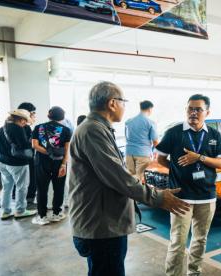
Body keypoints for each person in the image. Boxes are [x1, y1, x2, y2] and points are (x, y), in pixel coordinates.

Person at [69, 81, 190, 276]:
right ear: (112, 103)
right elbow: (119, 178)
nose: (125, 106)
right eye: (123, 101)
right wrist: (158, 197)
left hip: (102, 221)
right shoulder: (93, 130)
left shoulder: (97, 128)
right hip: (102, 225)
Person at [156, 94, 221, 276]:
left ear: (207, 112)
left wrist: (199, 158)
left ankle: (194, 272)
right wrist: (177, 171)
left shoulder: (214, 135)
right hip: (181, 197)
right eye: (190, 108)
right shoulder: (174, 132)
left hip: (207, 196)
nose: (193, 113)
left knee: (200, 240)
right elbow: (161, 158)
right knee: (177, 242)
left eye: (198, 109)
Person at [31, 106, 71, 225]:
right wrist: (64, 165)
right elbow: (66, 149)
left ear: (49, 115)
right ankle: (56, 213)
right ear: (62, 117)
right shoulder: (66, 130)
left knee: (41, 189)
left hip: (41, 162)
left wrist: (48, 152)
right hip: (59, 162)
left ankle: (42, 216)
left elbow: (35, 145)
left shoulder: (38, 127)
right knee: (59, 188)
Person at [0, 109, 37, 220]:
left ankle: (5, 211)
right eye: (24, 120)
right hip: (17, 163)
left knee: (6, 187)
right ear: (19, 119)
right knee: (21, 187)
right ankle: (20, 210)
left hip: (2, 162)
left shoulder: (2, 128)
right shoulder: (17, 129)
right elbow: (24, 145)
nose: (25, 123)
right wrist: (32, 140)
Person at [125, 100, 159, 182]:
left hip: (129, 153)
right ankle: (138, 195)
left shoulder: (129, 121)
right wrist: (158, 154)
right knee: (140, 179)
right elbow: (155, 142)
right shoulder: (150, 123)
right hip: (142, 154)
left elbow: (126, 137)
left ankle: (130, 195)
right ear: (150, 109)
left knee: (130, 178)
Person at [17, 102, 37, 207]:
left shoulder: (11, 125)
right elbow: (26, 143)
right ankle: (28, 199)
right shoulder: (24, 127)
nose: (34, 115)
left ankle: (21, 199)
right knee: (28, 179)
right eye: (32, 113)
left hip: (17, 158)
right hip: (26, 158)